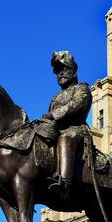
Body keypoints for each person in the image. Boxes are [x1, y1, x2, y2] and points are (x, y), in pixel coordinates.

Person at [42, 51, 92, 198]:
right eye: (57, 71)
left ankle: (64, 183)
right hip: (57, 131)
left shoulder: (82, 88)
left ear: (74, 71)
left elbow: (76, 105)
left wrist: (53, 115)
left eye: (64, 69)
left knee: (65, 138)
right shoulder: (56, 97)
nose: (60, 74)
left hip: (76, 131)